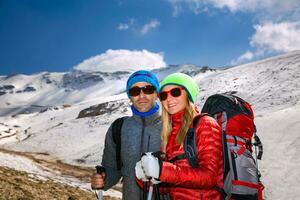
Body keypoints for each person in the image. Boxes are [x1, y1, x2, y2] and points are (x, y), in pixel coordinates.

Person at [135, 73, 223, 199]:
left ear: (188, 94)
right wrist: (146, 177)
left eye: (175, 92)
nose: (168, 99)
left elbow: (210, 177)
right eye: (163, 95)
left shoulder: (205, 124)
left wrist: (162, 170)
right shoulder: (169, 133)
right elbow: (171, 185)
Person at [91, 70, 162, 200]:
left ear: (157, 93)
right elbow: (112, 168)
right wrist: (102, 180)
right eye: (135, 91)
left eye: (148, 89)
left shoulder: (171, 126)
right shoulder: (118, 128)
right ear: (130, 96)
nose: (141, 96)